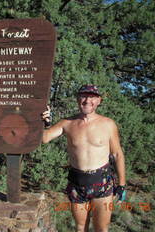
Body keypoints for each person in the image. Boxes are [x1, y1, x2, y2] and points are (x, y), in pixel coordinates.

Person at [42, 84, 126, 232]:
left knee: (102, 228)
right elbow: (45, 138)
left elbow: (117, 154)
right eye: (83, 96)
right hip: (77, 183)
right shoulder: (67, 123)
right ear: (77, 99)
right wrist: (45, 122)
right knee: (81, 227)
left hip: (102, 183)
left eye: (92, 97)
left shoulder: (108, 124)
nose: (87, 100)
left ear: (99, 100)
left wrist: (122, 185)